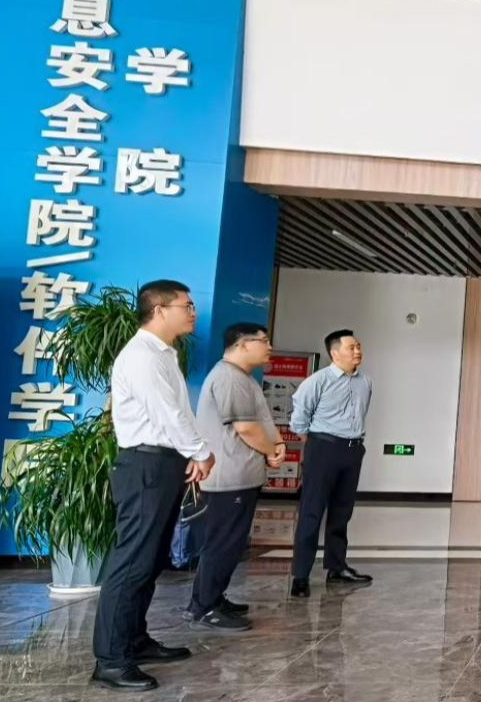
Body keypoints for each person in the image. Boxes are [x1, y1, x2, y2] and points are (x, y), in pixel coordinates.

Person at [92, 280, 216, 693]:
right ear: (159, 310)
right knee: (131, 562)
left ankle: (135, 639)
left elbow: (179, 412)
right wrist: (200, 452)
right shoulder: (142, 356)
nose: (193, 312)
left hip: (163, 463)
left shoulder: (164, 354)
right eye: (186, 305)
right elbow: (167, 415)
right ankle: (111, 660)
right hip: (144, 465)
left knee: (150, 560)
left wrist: (190, 453)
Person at [186, 323, 287, 632]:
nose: (269, 347)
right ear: (242, 345)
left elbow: (261, 420)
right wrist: (271, 450)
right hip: (228, 478)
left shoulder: (244, 378)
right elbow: (246, 428)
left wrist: (277, 444)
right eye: (263, 341)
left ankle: (212, 598)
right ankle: (205, 607)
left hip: (241, 475)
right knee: (222, 543)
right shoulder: (229, 378)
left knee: (229, 543)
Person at [289, 329, 374, 597]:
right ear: (335, 353)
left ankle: (336, 567)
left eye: (358, 346)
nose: (357, 351)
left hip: (353, 449)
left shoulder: (365, 382)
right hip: (323, 448)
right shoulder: (317, 381)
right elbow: (299, 421)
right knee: (312, 511)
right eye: (351, 347)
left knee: (342, 511)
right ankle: (300, 575)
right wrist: (319, 444)